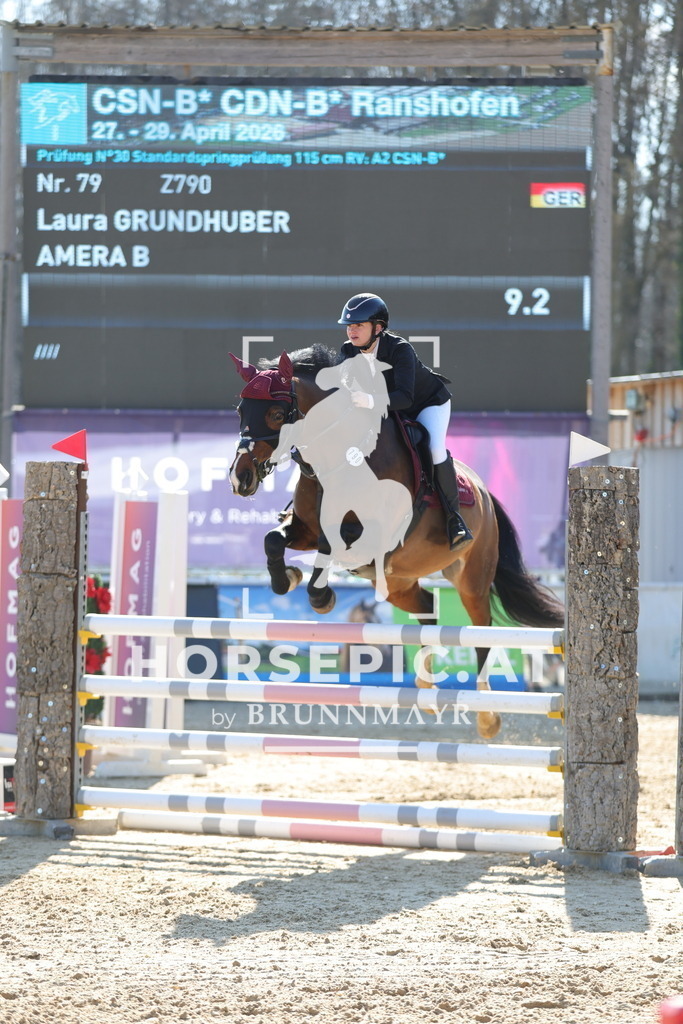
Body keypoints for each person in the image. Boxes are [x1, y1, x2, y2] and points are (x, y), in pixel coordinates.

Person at [336, 292, 473, 549]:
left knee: (433, 449)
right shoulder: (347, 352)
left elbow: (405, 398)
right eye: (349, 326)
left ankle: (455, 520)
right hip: (387, 409)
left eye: (358, 325)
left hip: (426, 404)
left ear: (378, 328)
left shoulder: (400, 350)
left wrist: (368, 400)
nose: (351, 331)